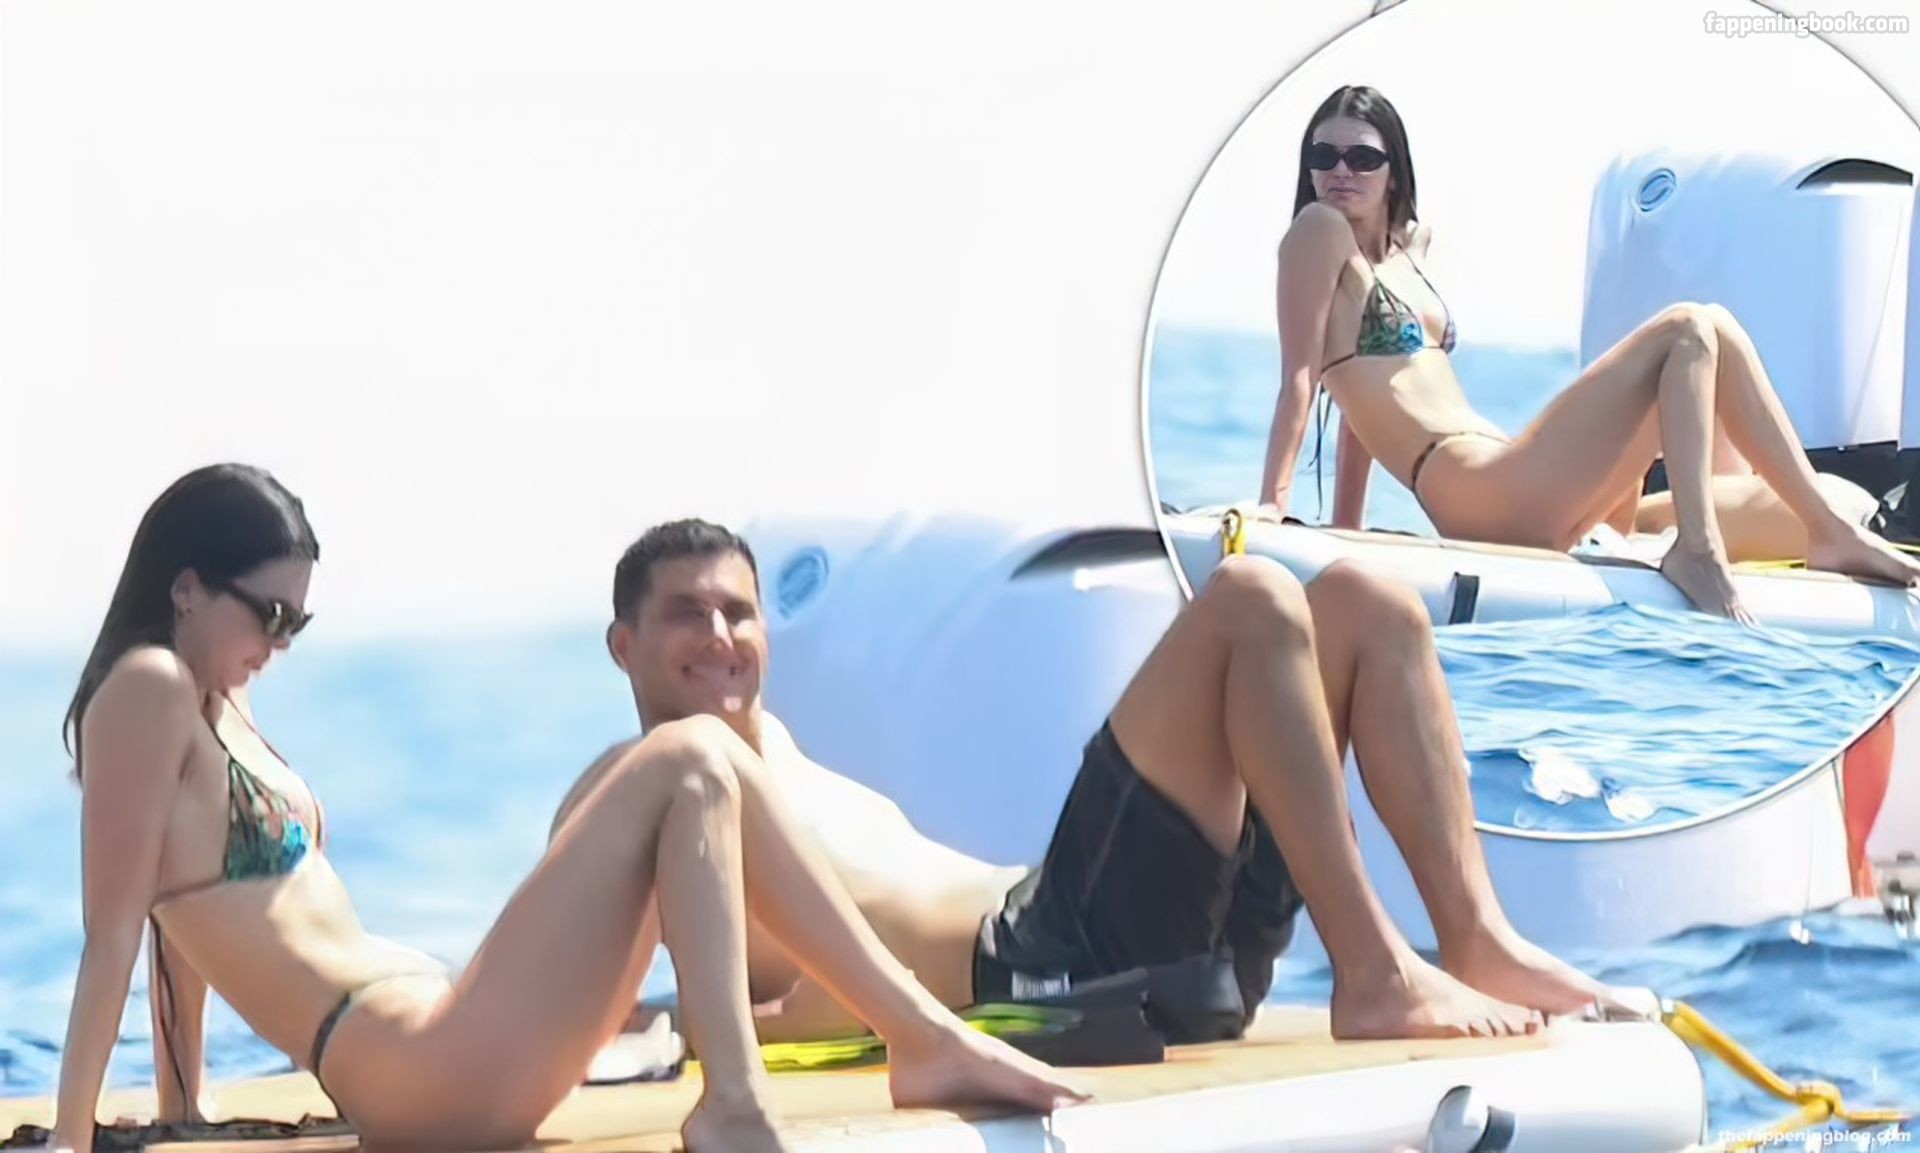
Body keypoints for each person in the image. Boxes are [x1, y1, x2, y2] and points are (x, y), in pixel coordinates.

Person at [45, 464, 1081, 1153]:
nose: (280, 642)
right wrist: (72, 1136)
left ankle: (898, 1039)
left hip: (439, 1043)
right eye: (269, 613)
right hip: (419, 1071)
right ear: (186, 588)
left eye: (298, 622)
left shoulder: (211, 703)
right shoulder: (146, 688)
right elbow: (117, 926)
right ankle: (786, 1080)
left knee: (702, 772)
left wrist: (184, 1106)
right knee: (688, 758)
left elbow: (185, 908)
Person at [566, 518, 1618, 1056]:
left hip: (1142, 947)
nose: (720, 635)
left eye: (738, 612)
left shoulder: (778, 751)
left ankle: (1474, 937)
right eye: (685, 614)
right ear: (621, 646)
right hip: (1043, 968)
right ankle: (1376, 972)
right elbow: (581, 980)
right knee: (1250, 597)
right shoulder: (641, 782)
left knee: (1367, 602)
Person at [1260, 84, 1920, 622]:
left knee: (1719, 332)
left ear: (1393, 169)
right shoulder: (1316, 230)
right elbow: (1303, 379)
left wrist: (1348, 525)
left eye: (1361, 157)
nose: (1340, 172)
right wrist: (1273, 506)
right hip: (1479, 492)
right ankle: (1700, 549)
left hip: (1516, 475)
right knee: (1688, 328)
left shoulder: (1409, 251)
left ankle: (1827, 526)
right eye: (1324, 155)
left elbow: (1366, 394)